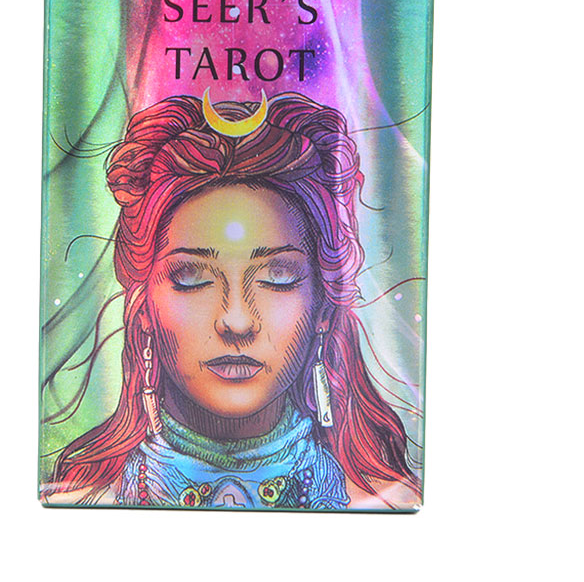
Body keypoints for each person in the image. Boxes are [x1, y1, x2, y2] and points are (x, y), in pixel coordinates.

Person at [43, 91, 421, 510]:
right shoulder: (84, 502)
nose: (237, 321)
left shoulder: (382, 504)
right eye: (192, 279)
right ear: (144, 305)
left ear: (322, 307)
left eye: (277, 278)